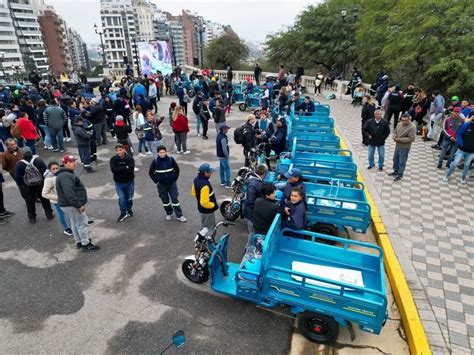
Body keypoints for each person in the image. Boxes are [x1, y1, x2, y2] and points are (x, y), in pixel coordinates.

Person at [56, 155, 99, 251]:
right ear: (65, 163)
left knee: (75, 224)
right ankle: (85, 244)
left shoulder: (65, 174)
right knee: (82, 224)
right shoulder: (65, 176)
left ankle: (79, 241)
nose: (74, 163)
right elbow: (69, 193)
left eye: (74, 161)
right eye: (70, 162)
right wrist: (78, 205)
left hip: (68, 205)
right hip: (72, 205)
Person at [13, 147, 54, 223]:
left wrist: (22, 184)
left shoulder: (19, 164)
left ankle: (32, 218)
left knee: (29, 201)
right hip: (40, 184)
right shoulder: (38, 160)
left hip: (27, 186)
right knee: (44, 199)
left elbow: (17, 176)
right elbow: (46, 171)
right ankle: (49, 214)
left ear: (22, 154)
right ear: (31, 153)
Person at [148, 145, 187, 222]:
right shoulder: (155, 162)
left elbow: (177, 169)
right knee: (165, 201)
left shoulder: (170, 159)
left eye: (163, 152)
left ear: (166, 152)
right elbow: (151, 173)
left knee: (175, 199)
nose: (162, 154)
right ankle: (169, 213)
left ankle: (179, 215)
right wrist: (157, 181)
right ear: (158, 153)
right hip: (161, 185)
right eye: (160, 152)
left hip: (172, 184)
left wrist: (174, 179)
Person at [42, 161, 73, 235]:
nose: (56, 170)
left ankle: (80, 222)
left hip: (67, 197)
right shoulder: (48, 179)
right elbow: (44, 194)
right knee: (62, 214)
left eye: (57, 168)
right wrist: (58, 197)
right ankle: (66, 228)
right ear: (50, 170)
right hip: (58, 201)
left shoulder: (62, 174)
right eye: (53, 169)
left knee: (73, 211)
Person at [443, 116, 474, 184]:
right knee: (455, 163)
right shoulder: (466, 125)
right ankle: (447, 175)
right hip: (461, 150)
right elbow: (459, 134)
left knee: (467, 165)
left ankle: (463, 178)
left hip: (471, 152)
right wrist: (461, 144)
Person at [110, 144, 135, 222]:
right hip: (119, 183)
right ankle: (123, 213)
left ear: (124, 150)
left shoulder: (130, 159)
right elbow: (114, 170)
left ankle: (129, 209)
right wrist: (125, 167)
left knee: (129, 198)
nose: (119, 152)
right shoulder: (113, 159)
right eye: (117, 151)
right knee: (121, 199)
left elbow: (130, 171)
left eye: (120, 150)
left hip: (129, 182)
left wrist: (119, 170)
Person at [388, 113, 416, 181]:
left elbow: (412, 138)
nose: (403, 122)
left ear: (409, 119)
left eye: (405, 120)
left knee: (402, 161)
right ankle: (395, 171)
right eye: (402, 120)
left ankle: (400, 175)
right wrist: (394, 136)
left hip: (405, 147)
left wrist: (400, 139)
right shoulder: (399, 124)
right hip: (397, 145)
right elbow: (395, 131)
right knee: (395, 159)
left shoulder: (412, 127)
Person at [192, 163, 218, 230]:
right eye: (210, 172)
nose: (211, 173)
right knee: (210, 229)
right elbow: (204, 203)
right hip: (207, 211)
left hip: (201, 209)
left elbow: (193, 192)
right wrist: (213, 205)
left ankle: (203, 237)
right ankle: (208, 239)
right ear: (205, 173)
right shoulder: (205, 185)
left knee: (204, 225)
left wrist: (200, 197)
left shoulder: (196, 179)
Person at [243, 164, 267, 235]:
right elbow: (250, 201)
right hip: (251, 214)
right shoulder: (254, 184)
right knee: (252, 233)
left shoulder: (252, 179)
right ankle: (249, 246)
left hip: (251, 212)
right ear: (264, 173)